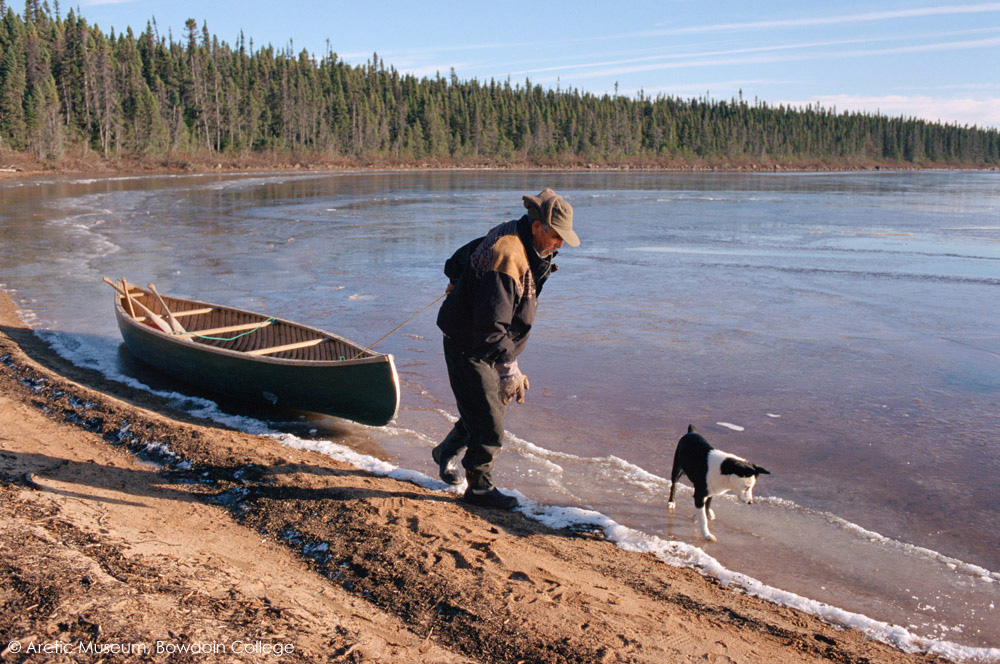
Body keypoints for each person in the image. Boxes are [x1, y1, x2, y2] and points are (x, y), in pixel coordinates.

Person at [432, 188, 580, 510]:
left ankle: (446, 451)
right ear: (538, 226)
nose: (560, 244)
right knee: (489, 422)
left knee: (488, 409)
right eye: (557, 236)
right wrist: (509, 367)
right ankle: (480, 490)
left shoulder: (523, 236)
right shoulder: (510, 253)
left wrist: (462, 280)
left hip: (484, 339)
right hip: (467, 343)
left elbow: (457, 259)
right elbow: (490, 328)